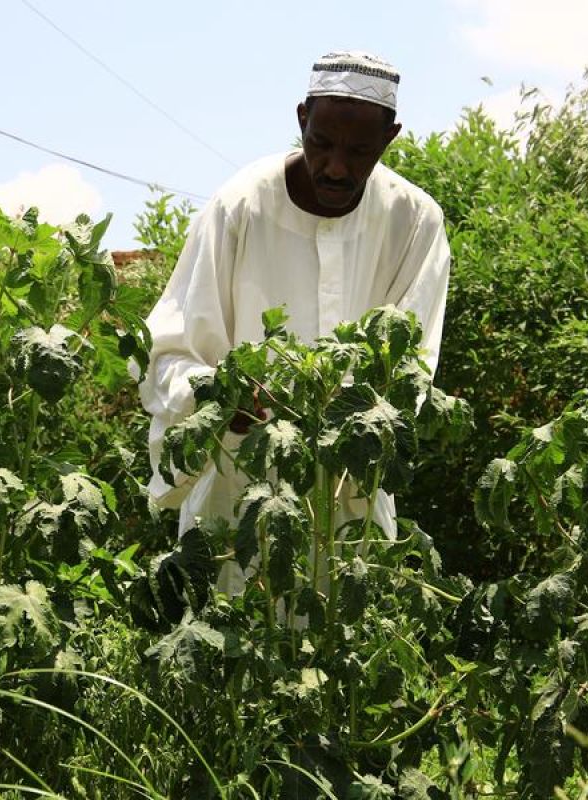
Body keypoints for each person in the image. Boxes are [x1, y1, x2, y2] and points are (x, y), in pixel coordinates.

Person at [138, 51, 451, 559]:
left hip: (352, 509)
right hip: (234, 507)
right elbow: (167, 355)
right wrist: (218, 396)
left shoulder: (415, 224)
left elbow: (411, 370)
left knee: (347, 628)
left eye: (359, 151)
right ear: (301, 119)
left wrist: (355, 421)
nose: (335, 167)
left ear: (390, 138)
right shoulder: (239, 207)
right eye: (322, 143)